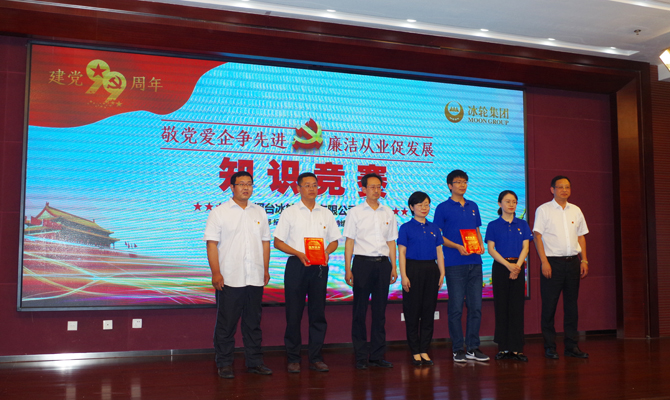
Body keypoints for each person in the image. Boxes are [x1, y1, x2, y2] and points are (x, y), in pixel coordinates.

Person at [203, 171, 273, 379]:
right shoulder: (219, 212)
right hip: (229, 278)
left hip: (255, 277)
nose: (246, 187)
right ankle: (224, 363)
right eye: (241, 184)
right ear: (232, 187)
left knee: (253, 323)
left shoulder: (259, 212)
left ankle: (255, 362)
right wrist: (216, 272)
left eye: (249, 184)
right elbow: (211, 244)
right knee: (226, 324)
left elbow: (265, 243)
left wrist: (265, 269)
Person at [274, 172, 342, 373]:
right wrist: (298, 253)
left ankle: (316, 357)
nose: (312, 189)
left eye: (314, 185)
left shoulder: (326, 213)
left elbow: (334, 241)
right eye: (307, 185)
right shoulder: (290, 212)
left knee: (318, 313)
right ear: (298, 188)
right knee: (293, 314)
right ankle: (293, 358)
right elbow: (277, 242)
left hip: (319, 266)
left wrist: (327, 252)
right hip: (297, 265)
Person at [343, 173, 398, 370]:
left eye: (378, 187)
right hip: (362, 264)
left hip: (383, 264)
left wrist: (394, 266)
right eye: (372, 187)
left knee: (379, 312)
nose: (376, 190)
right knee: (359, 311)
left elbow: (391, 241)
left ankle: (377, 355)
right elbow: (349, 241)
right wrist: (347, 268)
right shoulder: (355, 212)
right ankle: (360, 356)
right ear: (364, 189)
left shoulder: (388, 212)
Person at [433, 169, 489, 363]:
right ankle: (458, 349)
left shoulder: (473, 205)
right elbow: (438, 236)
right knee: (456, 308)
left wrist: (480, 245)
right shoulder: (442, 207)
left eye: (464, 181)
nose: (462, 185)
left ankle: (473, 347)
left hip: (475, 262)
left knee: (476, 308)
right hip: (454, 263)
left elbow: (476, 230)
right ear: (450, 185)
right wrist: (457, 246)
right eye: (458, 182)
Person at [533, 175, 589, 359]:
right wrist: (544, 261)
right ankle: (550, 346)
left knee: (571, 306)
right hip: (552, 263)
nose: (564, 190)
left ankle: (571, 346)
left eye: (567, 187)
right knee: (549, 306)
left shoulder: (576, 210)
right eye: (560, 187)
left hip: (573, 262)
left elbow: (581, 236)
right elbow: (537, 236)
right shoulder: (544, 210)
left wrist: (584, 260)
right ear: (552, 190)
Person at [398, 191, 445, 366]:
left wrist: (442, 273)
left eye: (427, 204)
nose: (424, 208)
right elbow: (402, 253)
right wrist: (404, 275)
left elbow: (439, 252)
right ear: (411, 207)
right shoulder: (405, 227)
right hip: (412, 269)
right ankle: (415, 350)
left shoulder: (434, 228)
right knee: (412, 311)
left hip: (431, 270)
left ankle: (424, 349)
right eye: (420, 205)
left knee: (428, 311)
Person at [485, 190, 532, 362]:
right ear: (500, 204)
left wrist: (517, 267)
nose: (511, 204)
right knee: (502, 307)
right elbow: (491, 249)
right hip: (501, 268)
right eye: (507, 201)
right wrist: (508, 266)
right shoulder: (493, 225)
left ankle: (517, 348)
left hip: (518, 268)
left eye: (514, 202)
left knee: (517, 308)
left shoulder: (523, 224)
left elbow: (526, 248)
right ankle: (503, 348)